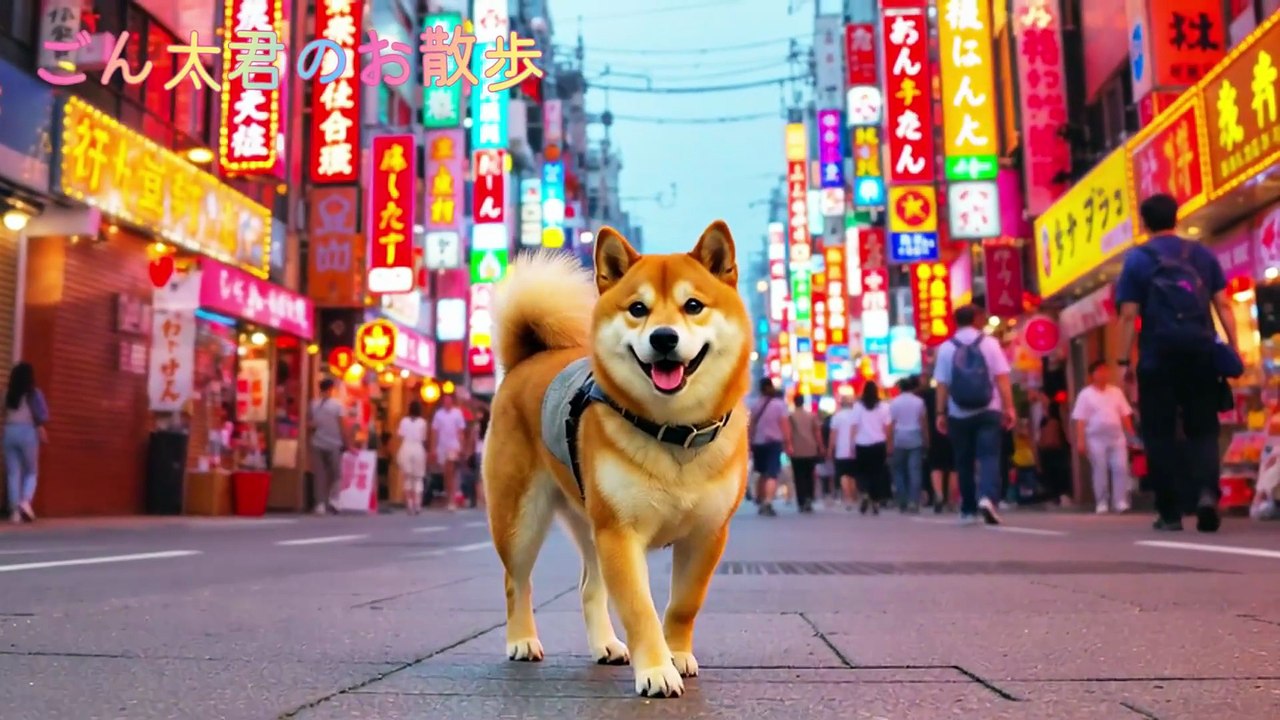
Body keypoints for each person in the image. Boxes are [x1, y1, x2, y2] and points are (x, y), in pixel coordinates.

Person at [1116, 193, 1237, 533]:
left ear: (1144, 222)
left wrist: (1122, 361)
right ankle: (1206, 495)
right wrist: (1233, 347)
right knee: (1203, 429)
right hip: (1200, 354)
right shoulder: (1200, 254)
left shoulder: (1138, 259)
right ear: (1177, 218)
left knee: (1159, 434)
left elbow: (1128, 315)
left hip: (1158, 358)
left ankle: (1169, 513)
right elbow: (1223, 305)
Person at [934, 303, 1016, 526]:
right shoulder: (990, 344)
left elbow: (942, 384)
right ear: (977, 319)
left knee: (964, 460)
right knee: (989, 456)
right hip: (988, 409)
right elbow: (1002, 378)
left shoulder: (945, 348)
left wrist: (940, 412)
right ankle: (988, 498)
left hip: (958, 412)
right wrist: (1009, 408)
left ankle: (968, 508)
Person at [1071, 360, 1137, 514]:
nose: (1103, 374)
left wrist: (1131, 434)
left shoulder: (1116, 392)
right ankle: (1102, 502)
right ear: (1092, 375)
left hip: (1116, 437)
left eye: (1105, 370)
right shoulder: (1085, 394)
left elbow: (1125, 414)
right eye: (1099, 371)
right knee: (1100, 469)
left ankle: (1120, 501)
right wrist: (1081, 441)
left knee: (1121, 468)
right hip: (1095, 438)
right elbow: (1080, 420)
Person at [4, 362, 48, 524]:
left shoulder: (7, 394)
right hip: (28, 432)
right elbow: (42, 415)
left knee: (13, 473)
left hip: (9, 432)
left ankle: (14, 511)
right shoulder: (34, 394)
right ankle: (25, 501)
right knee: (31, 471)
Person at [308, 378, 352, 515]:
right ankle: (334, 500)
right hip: (334, 443)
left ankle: (320, 504)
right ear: (332, 389)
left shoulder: (313, 404)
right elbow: (342, 426)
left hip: (317, 442)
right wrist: (347, 443)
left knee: (320, 475)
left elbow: (311, 424)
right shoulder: (337, 406)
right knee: (336, 474)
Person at [748, 377, 790, 517]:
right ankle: (768, 502)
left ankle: (760, 500)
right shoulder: (779, 405)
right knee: (772, 473)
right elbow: (784, 425)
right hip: (773, 443)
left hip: (758, 443)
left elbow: (751, 426)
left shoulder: (755, 405)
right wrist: (788, 443)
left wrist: (749, 443)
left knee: (761, 472)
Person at [850, 381, 893, 515]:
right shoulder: (884, 407)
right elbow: (887, 427)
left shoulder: (858, 407)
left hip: (862, 444)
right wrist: (889, 443)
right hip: (879, 444)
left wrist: (851, 444)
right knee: (877, 473)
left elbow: (854, 427)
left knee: (862, 473)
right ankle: (875, 501)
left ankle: (864, 493)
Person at [888, 376, 929, 513]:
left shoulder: (894, 402)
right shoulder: (919, 402)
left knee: (899, 471)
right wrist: (926, 439)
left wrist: (889, 443)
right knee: (914, 470)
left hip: (899, 437)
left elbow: (892, 424)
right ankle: (913, 501)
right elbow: (923, 422)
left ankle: (902, 500)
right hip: (915, 437)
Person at [918, 374, 957, 513]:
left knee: (936, 466)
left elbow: (924, 418)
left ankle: (939, 494)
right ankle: (952, 500)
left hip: (935, 433)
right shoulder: (955, 392)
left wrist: (926, 437)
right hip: (953, 433)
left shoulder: (927, 396)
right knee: (953, 467)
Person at [431, 392, 469, 511]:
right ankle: (449, 497)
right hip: (442, 446)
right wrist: (433, 448)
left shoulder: (457, 414)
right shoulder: (438, 414)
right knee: (447, 474)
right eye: (444, 400)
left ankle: (451, 500)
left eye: (448, 400)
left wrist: (461, 447)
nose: (446, 402)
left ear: (452, 401)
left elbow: (461, 432)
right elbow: (434, 432)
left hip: (453, 446)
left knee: (450, 470)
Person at [787, 395, 825, 513]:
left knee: (799, 476)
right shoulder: (812, 416)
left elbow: (788, 433)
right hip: (811, 449)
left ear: (794, 402)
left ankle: (801, 501)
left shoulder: (791, 416)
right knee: (810, 475)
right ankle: (809, 498)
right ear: (803, 402)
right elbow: (817, 432)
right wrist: (821, 446)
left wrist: (788, 446)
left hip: (797, 450)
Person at [1036, 396, 1073, 506]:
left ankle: (1061, 495)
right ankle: (1057, 495)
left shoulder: (1056, 411)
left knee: (1058, 472)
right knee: (1052, 472)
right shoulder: (1044, 417)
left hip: (1056, 448)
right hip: (1050, 450)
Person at [396, 400, 429, 515]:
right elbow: (424, 438)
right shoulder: (422, 422)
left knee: (407, 478)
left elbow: (400, 436)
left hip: (406, 447)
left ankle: (409, 503)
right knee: (418, 478)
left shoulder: (404, 421)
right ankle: (418, 504)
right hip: (418, 448)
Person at [827, 393, 859, 510]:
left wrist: (830, 449)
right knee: (854, 475)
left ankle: (848, 498)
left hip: (841, 450)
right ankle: (854, 496)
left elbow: (833, 435)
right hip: (856, 449)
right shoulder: (857, 416)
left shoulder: (837, 417)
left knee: (843, 475)